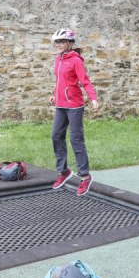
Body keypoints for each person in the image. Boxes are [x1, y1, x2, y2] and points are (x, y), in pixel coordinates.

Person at [49, 29, 99, 196]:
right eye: (56, 42)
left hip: (75, 106)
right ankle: (63, 172)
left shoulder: (75, 61)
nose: (58, 45)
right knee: (56, 136)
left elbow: (85, 81)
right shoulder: (58, 59)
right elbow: (60, 80)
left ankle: (85, 176)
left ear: (70, 44)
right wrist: (53, 94)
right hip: (61, 105)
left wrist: (93, 99)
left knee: (76, 140)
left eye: (61, 42)